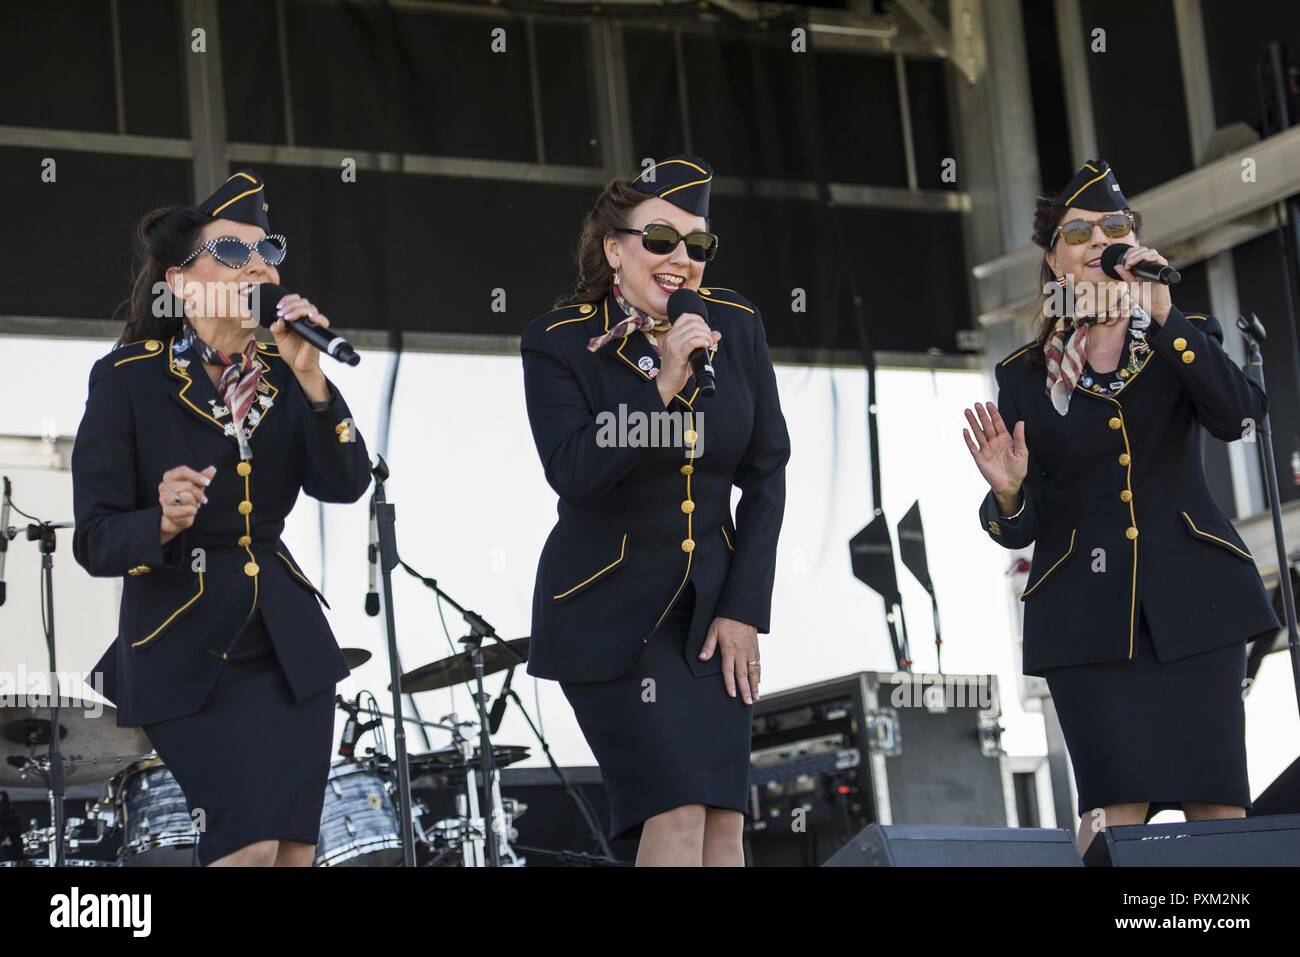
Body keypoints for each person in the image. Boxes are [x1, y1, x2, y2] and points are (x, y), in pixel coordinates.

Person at [963, 159, 1281, 857]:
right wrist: (1009, 492)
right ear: (1054, 259)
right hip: (1087, 620)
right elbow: (1025, 520)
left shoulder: (1183, 334)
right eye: (1080, 231)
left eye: (1115, 225)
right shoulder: (1024, 374)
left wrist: (1164, 315)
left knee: (1219, 809)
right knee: (1114, 814)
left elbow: (1238, 417)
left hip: (1198, 606)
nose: (1100, 239)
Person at [71, 169, 372, 866]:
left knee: (294, 852)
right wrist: (165, 521)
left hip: (291, 651)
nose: (259, 263)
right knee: (246, 845)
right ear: (179, 282)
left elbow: (346, 481)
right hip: (184, 650)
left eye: (268, 250)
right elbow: (95, 538)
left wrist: (314, 381)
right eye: (233, 251)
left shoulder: (285, 369)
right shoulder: (127, 378)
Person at [520, 154, 791, 866]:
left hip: (709, 615)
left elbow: (766, 473)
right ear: (614, 246)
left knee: (723, 821)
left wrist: (744, 608)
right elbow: (576, 470)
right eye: (662, 239)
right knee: (674, 810)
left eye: (697, 245)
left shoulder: (736, 325)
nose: (682, 259)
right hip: (607, 613)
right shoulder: (558, 341)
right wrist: (663, 382)